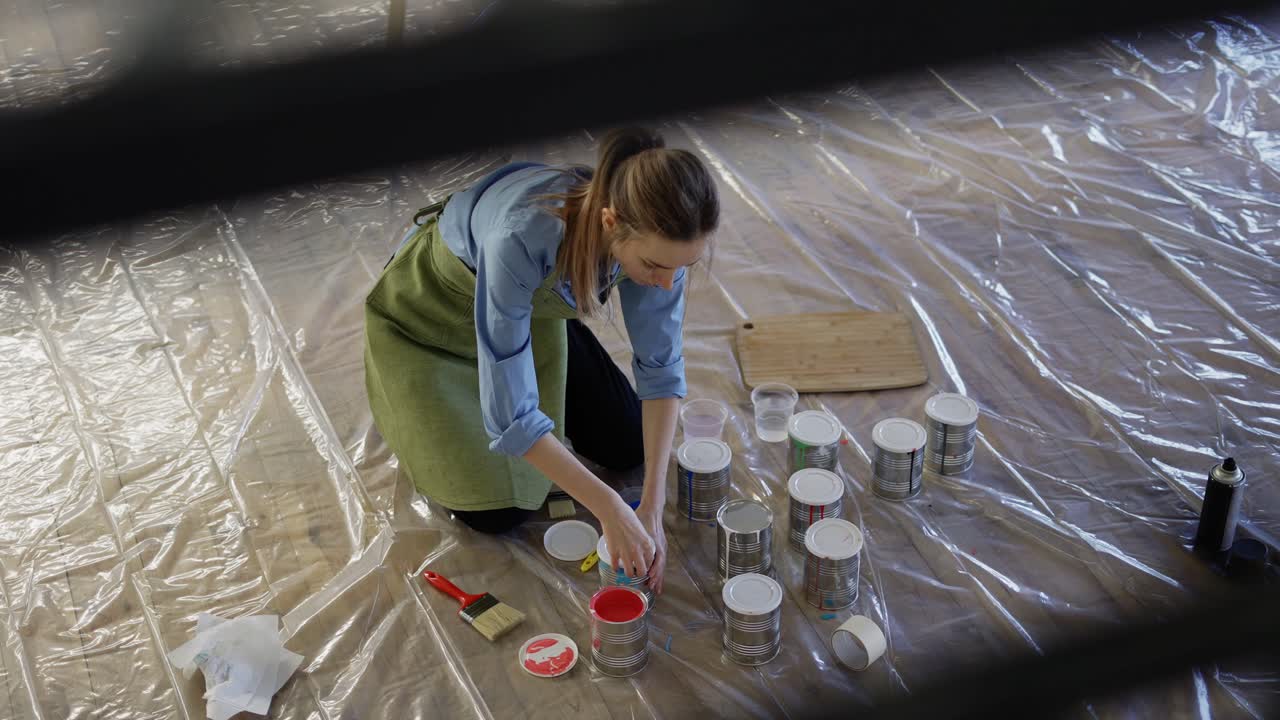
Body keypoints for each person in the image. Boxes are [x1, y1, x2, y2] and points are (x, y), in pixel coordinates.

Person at [364, 127, 720, 592]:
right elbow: (511, 417)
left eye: (682, 268)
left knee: (631, 445)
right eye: (654, 266)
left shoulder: (649, 236)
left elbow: (661, 368)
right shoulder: (519, 237)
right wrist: (610, 509)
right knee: (500, 512)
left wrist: (651, 506)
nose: (667, 283)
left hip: (523, 312)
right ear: (611, 223)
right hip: (432, 320)